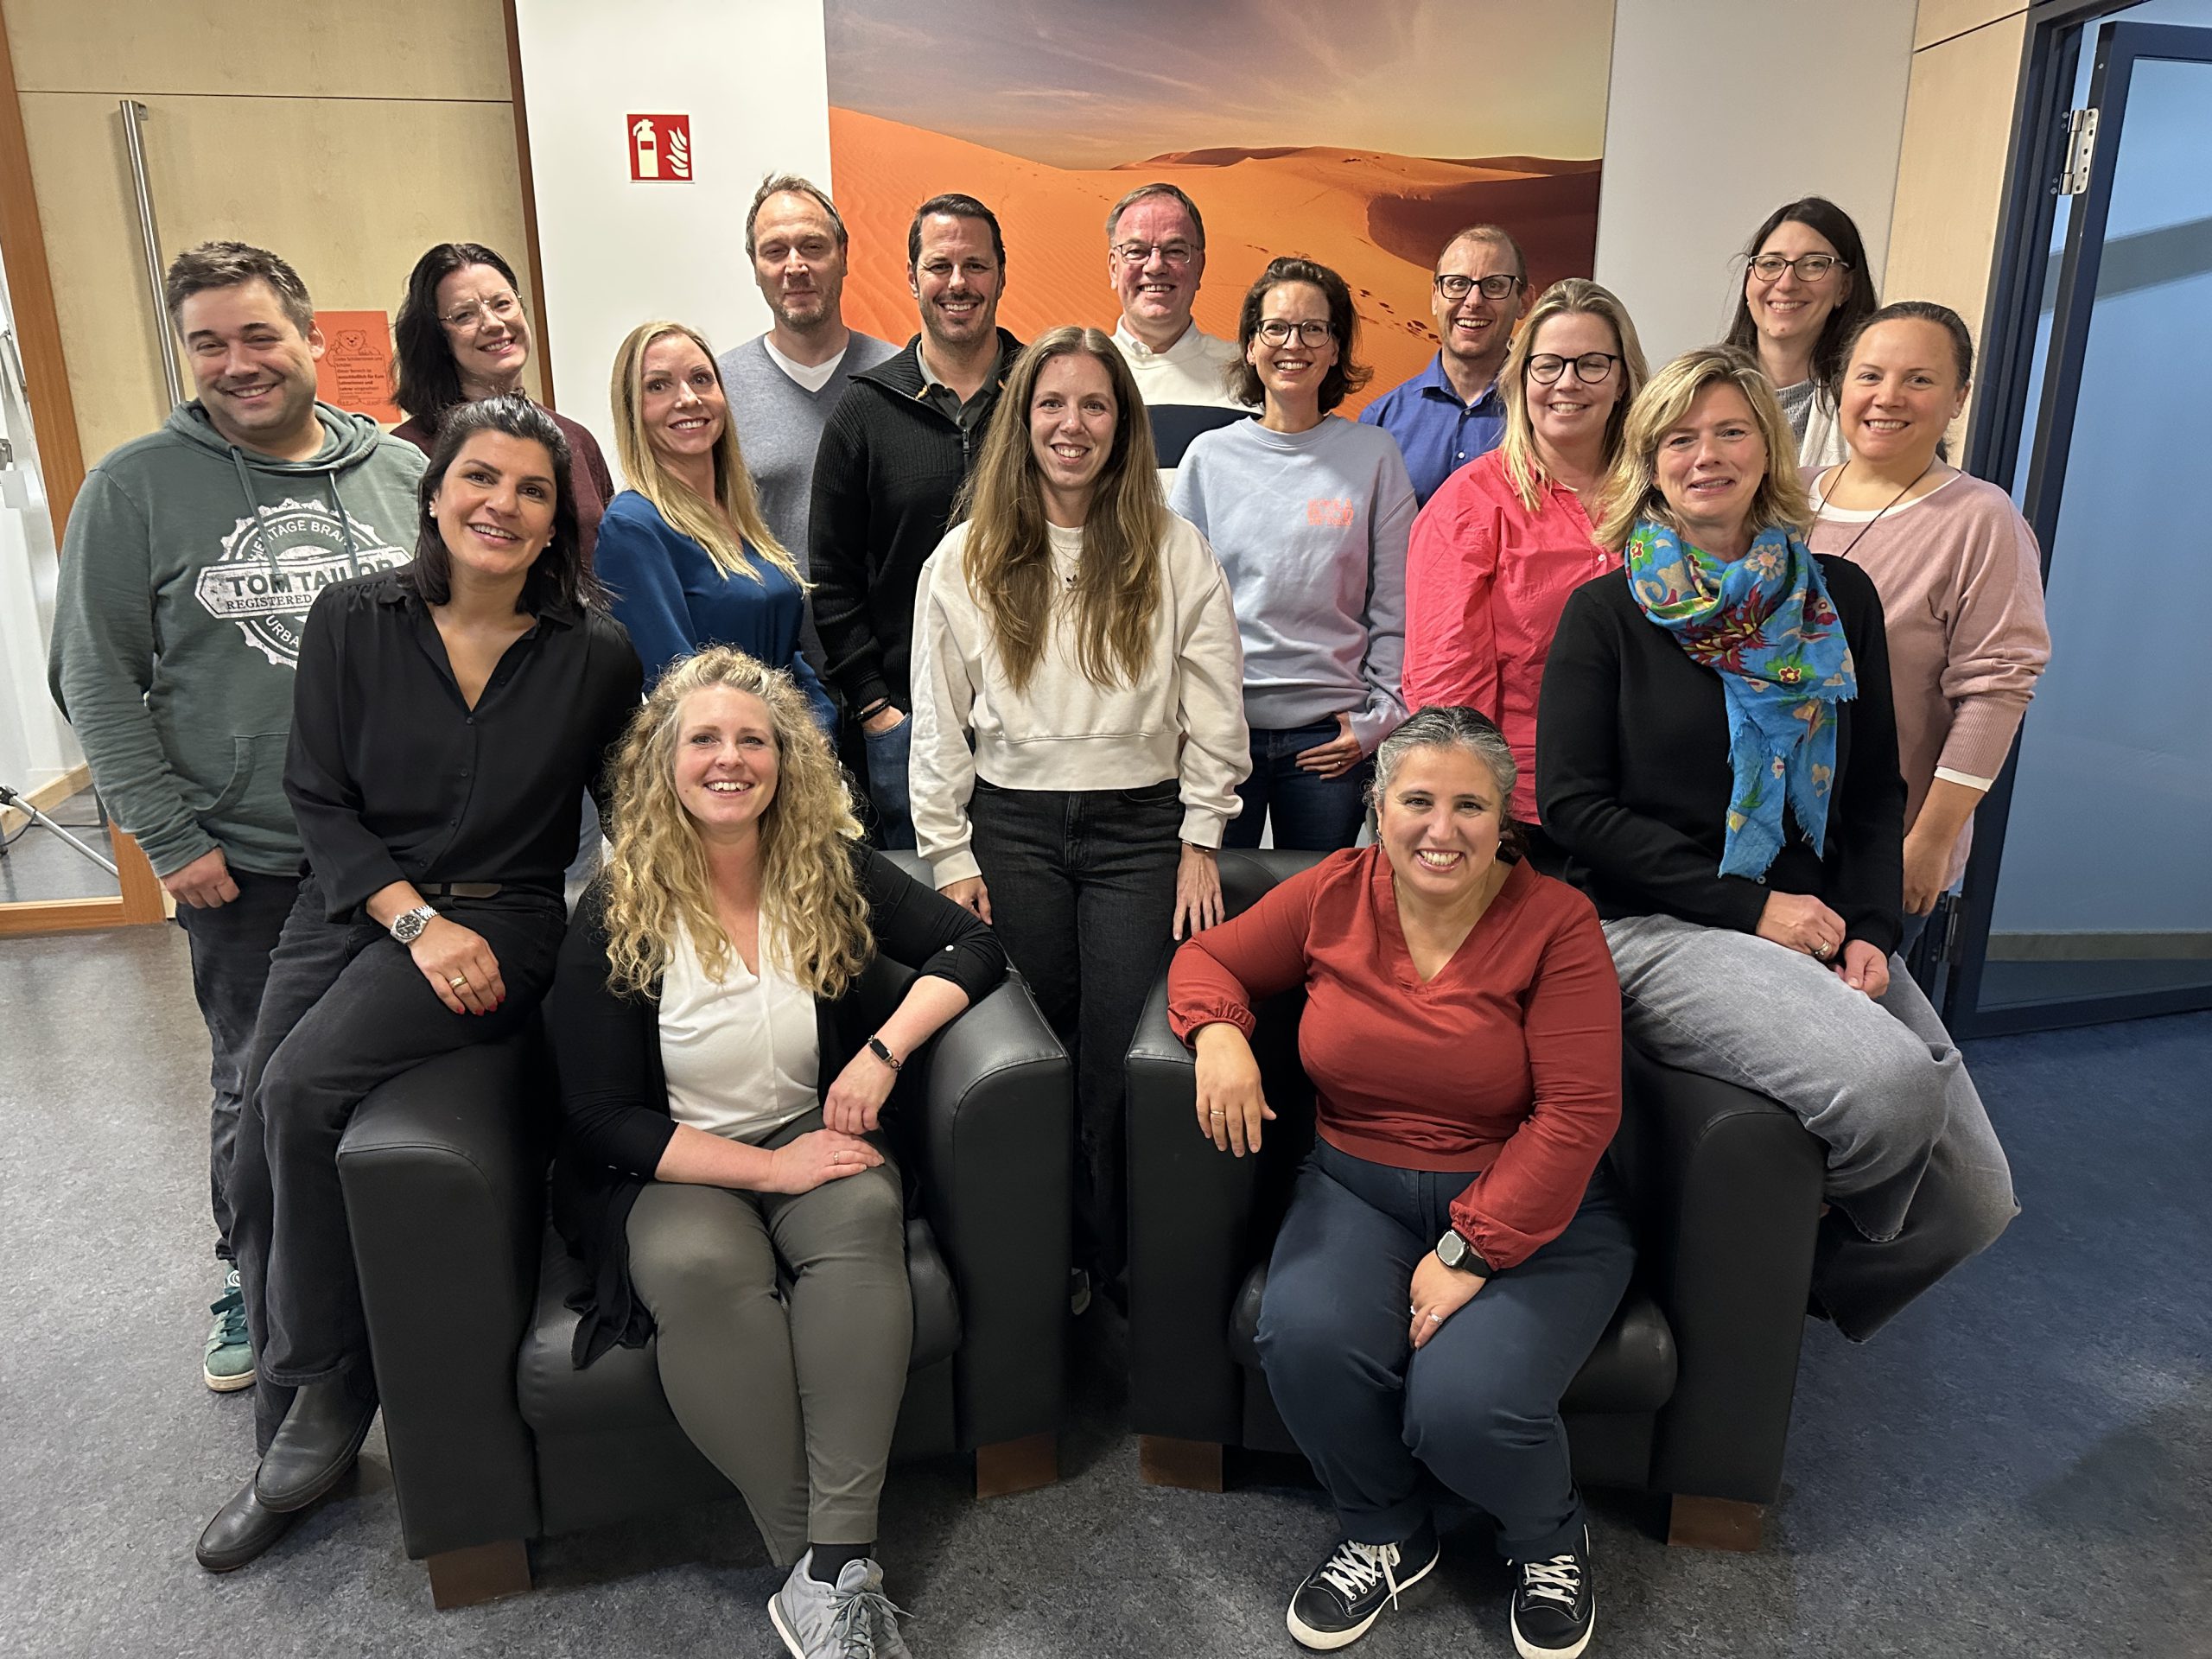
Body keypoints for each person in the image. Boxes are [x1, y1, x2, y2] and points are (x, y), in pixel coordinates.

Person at [194, 398, 642, 1573]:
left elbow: (633, 813)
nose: (504, 505)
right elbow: (318, 795)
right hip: (351, 906)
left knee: (297, 1093)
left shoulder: (594, 651)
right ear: (434, 492)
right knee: (254, 1154)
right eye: (480, 479)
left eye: (533, 490)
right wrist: (411, 919)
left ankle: (326, 1391)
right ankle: (288, 1433)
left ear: (556, 523)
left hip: (502, 920)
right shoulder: (352, 618)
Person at [1537, 346, 2017, 1346]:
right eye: (1679, 438)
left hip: (1817, 917)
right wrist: (1755, 909)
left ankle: (1773, 1276)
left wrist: (1872, 928)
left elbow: (1871, 789)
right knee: (1890, 1097)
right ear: (1649, 460)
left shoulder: (1836, 598)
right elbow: (1575, 810)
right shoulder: (1606, 612)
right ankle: (1736, 1264)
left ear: (1769, 449)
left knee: (1974, 1202)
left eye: (1730, 431)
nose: (1705, 455)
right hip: (1656, 923)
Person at [544, 648, 1005, 1659]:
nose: (729, 759)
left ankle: (831, 1570)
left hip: (807, 1121)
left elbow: (973, 948)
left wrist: (882, 1053)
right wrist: (766, 1172)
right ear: (664, 762)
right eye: (704, 739)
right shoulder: (617, 904)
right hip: (672, 1156)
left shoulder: (825, 865)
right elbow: (598, 1116)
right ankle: (824, 1567)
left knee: (864, 1211)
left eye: (752, 740)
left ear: (786, 759)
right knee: (699, 1265)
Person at [1171, 706, 1629, 1659]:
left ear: (1504, 819)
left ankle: (1548, 1538)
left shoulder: (1558, 922)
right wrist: (1218, 1033)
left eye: (1470, 806)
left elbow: (1578, 1114)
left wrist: (1471, 1249)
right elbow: (1206, 957)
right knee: (1303, 1338)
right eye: (1417, 801)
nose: (1440, 829)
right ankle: (1385, 1530)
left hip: (1532, 1208)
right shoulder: (1332, 892)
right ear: (1377, 808)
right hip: (1356, 1190)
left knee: (1465, 1408)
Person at [48, 241, 423, 1396]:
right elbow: (93, 677)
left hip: (405, 852)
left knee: (396, 1077)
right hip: (249, 860)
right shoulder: (135, 487)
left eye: (259, 335)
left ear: (310, 339)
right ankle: (250, 1281)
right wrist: (170, 840)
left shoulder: (400, 473)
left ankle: (388, 1274)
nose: (236, 363)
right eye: (206, 343)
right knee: (255, 1082)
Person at [909, 326, 1248, 1300]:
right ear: (1022, 421)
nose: (1072, 424)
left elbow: (1215, 707)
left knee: (1120, 1054)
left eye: (1094, 404)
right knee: (1031, 1052)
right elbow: (938, 722)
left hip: (1139, 834)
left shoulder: (1174, 550)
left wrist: (1200, 836)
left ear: (1122, 424)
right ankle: (1040, 1257)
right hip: (1010, 832)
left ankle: (1113, 1257)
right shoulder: (965, 558)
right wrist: (948, 855)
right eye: (1051, 403)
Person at [1808, 301, 2050, 945]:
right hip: (1762, 838)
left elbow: (1997, 690)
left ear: (1958, 397)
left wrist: (1931, 839)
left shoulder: (1980, 519)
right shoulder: (1782, 495)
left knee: (1863, 1004)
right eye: (1869, 375)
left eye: (1919, 379)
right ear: (1841, 385)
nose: (1888, 397)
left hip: (1880, 847)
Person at [1402, 279, 1649, 872]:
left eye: (1592, 364)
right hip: (1525, 812)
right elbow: (1446, 680)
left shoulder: (1662, 496)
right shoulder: (1471, 502)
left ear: (1622, 380)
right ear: (1521, 379)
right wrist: (1477, 806)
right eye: (1548, 365)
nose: (1568, 383)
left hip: (1649, 803)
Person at [1172, 257, 1410, 852]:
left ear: (1335, 349)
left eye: (1313, 329)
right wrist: (1184, 720)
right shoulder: (1208, 458)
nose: (1293, 344)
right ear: (1251, 345)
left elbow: (1397, 604)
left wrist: (1378, 720)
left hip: (1330, 740)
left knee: (1324, 901)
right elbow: (1173, 604)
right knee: (1215, 899)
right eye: (1275, 328)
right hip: (1223, 734)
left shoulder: (1374, 456)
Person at [810, 193, 1024, 849]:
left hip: (1034, 725)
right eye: (939, 266)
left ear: (1001, 274)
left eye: (975, 265)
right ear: (911, 277)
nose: (958, 283)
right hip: (906, 725)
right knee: (925, 899)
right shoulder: (865, 409)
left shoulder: (1043, 396)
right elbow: (831, 576)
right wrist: (876, 707)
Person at [598, 320, 836, 731]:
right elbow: (676, 688)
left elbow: (787, 657)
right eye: (658, 386)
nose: (688, 399)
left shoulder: (738, 515)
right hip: (722, 755)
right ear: (633, 410)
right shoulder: (633, 526)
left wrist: (820, 734)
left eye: (701, 379)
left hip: (785, 747)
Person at [715, 175, 899, 678]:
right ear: (755, 267)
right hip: (767, 677)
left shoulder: (901, 379)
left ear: (843, 255)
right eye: (775, 251)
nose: (795, 267)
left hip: (891, 674)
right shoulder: (716, 391)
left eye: (813, 247)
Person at [389, 241, 615, 560]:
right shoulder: (407, 454)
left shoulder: (576, 439)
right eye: (464, 315)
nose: (493, 323)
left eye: (502, 304)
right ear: (437, 339)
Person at [1360, 226, 1531, 505]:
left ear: (1524, 301)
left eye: (1494, 285)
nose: (1473, 301)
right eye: (1457, 284)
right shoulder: (1380, 421)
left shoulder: (1543, 415)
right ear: (1435, 297)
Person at [1101, 181, 1246, 478]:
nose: (1155, 266)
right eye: (1136, 251)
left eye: (1175, 251)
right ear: (1114, 268)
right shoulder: (1079, 375)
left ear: (1199, 267)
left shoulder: (1250, 375)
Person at [1723, 197, 1877, 469]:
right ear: (1749, 282)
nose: (1786, 283)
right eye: (1771, 264)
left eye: (1814, 264)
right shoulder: (1699, 389)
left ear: (1845, 287)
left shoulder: (1874, 404)